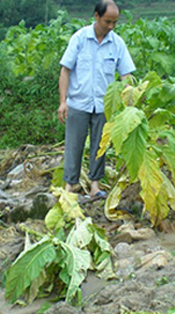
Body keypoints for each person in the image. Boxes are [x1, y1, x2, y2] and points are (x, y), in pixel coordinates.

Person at [58, 0, 136, 199]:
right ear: (96, 16)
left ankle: (95, 185)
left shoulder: (117, 43)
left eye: (114, 23)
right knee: (74, 145)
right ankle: (70, 185)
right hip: (78, 102)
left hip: (104, 105)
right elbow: (65, 71)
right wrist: (63, 101)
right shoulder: (79, 39)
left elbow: (126, 75)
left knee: (100, 147)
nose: (111, 27)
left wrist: (128, 99)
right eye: (107, 22)